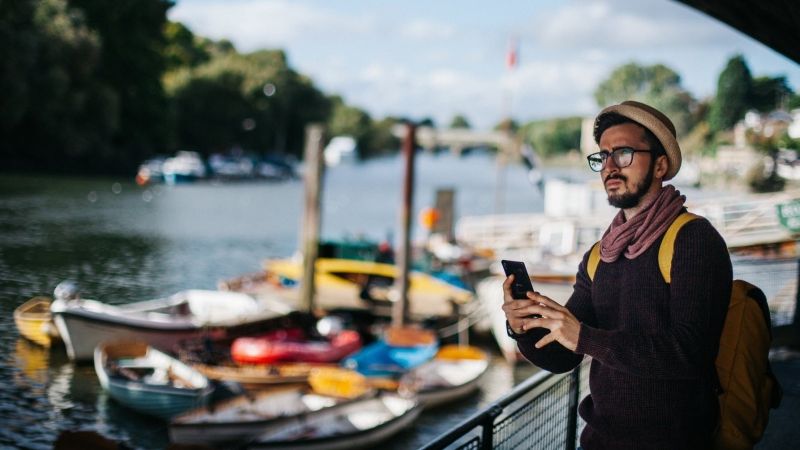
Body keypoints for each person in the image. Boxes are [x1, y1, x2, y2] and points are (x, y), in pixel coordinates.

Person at [502, 100, 732, 450]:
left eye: (623, 153)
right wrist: (522, 330)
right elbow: (565, 356)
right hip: (598, 442)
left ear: (660, 165)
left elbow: (690, 352)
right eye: (602, 157)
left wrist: (585, 337)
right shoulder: (600, 254)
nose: (609, 167)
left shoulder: (693, 240)